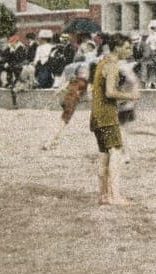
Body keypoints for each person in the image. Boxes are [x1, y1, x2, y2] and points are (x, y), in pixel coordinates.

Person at [90, 33, 140, 206]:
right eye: (127, 47)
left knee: (104, 155)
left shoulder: (101, 62)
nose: (130, 50)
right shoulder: (112, 65)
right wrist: (130, 96)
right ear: (117, 48)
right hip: (107, 115)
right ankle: (115, 196)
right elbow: (110, 92)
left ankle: (104, 195)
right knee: (116, 154)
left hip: (96, 114)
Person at [42, 65, 89, 151]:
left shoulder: (73, 79)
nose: (86, 73)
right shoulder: (85, 82)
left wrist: (51, 99)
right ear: (82, 73)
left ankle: (52, 140)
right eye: (85, 72)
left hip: (65, 100)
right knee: (62, 125)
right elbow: (88, 94)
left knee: (61, 121)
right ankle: (48, 143)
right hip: (71, 103)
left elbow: (59, 89)